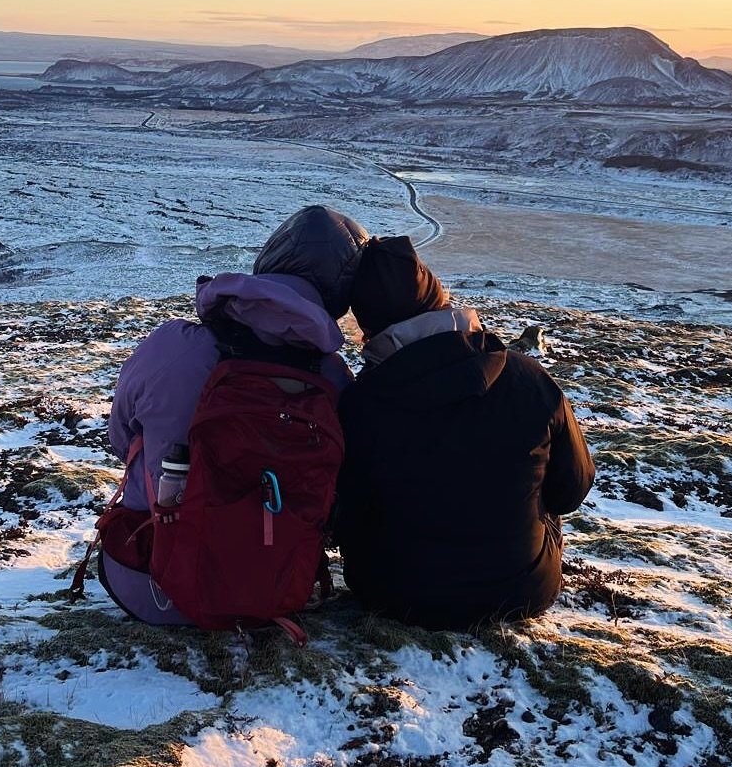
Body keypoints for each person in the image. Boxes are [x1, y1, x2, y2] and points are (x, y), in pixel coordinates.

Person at [103, 205, 369, 621]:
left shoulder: (172, 345)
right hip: (277, 591)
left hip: (151, 587)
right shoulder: (334, 379)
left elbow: (120, 439)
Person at [334, 236, 594, 629]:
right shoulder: (530, 377)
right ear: (439, 297)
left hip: (392, 593)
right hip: (522, 590)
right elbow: (572, 489)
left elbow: (346, 516)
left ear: (367, 326)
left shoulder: (359, 402)